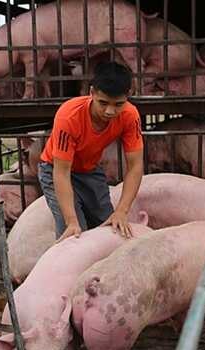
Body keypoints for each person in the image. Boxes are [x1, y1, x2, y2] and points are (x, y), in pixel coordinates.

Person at [38, 61, 144, 242]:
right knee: (73, 234)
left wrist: (121, 211)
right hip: (55, 168)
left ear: (128, 95)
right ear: (92, 92)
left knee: (109, 226)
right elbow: (61, 173)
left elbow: (135, 166)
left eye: (118, 104)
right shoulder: (69, 116)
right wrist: (71, 221)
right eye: (103, 103)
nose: (110, 111)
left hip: (89, 169)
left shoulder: (130, 115)